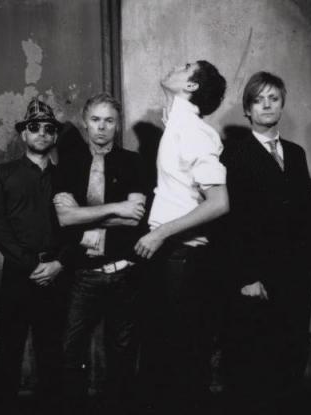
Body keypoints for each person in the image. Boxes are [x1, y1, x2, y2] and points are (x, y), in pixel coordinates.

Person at [219, 71, 311, 414]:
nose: (267, 105)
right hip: (258, 275)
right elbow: (232, 223)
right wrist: (247, 277)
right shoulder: (234, 155)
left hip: (297, 273)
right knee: (256, 353)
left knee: (293, 348)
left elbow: (308, 212)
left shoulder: (295, 153)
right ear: (247, 110)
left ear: (282, 105)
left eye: (273, 99)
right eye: (258, 100)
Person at [134, 60, 229, 414]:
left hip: (181, 259)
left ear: (191, 86)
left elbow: (219, 202)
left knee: (179, 360)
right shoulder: (178, 123)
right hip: (170, 258)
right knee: (165, 358)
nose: (176, 66)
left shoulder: (194, 131)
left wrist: (160, 233)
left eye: (186, 66)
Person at [53, 92, 146, 415]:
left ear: (117, 125)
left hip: (124, 272)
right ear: (85, 122)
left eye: (109, 120)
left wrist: (85, 214)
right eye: (95, 120)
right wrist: (118, 208)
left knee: (122, 354)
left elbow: (135, 218)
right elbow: (64, 218)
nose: (102, 127)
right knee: (70, 351)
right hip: (83, 274)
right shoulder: (68, 166)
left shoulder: (133, 163)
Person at [0, 98, 68, 414]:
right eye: (34, 127)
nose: (41, 133)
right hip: (19, 275)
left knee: (51, 350)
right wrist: (31, 264)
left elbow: (76, 228)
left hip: (56, 274)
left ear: (55, 135)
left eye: (48, 128)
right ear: (23, 134)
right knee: (10, 348)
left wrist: (58, 263)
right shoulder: (3, 174)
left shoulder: (66, 177)